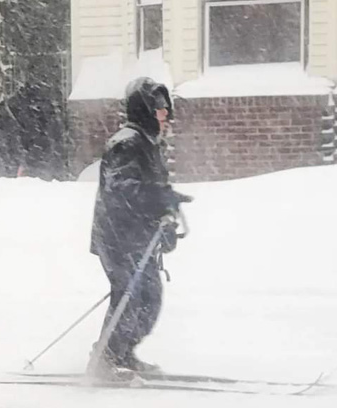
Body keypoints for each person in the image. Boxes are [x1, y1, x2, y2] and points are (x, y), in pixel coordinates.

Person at [88, 77, 192, 379]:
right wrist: (160, 198)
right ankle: (104, 362)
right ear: (145, 108)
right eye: (159, 108)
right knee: (129, 297)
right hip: (118, 237)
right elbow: (123, 191)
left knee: (149, 297)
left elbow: (153, 190)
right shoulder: (126, 143)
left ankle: (123, 353)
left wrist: (167, 216)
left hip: (138, 238)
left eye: (166, 108)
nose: (165, 114)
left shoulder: (149, 144)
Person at [0, 82, 64, 181]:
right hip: (36, 148)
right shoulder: (40, 109)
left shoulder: (9, 112)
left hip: (30, 147)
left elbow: (7, 148)